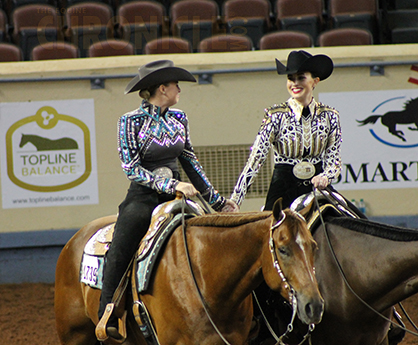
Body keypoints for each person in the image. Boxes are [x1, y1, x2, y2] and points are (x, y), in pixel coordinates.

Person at [97, 60, 238, 341]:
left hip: (179, 193)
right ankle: (108, 312)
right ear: (162, 88)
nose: (178, 90)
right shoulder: (129, 121)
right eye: (176, 85)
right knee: (125, 238)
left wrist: (217, 200)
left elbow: (190, 160)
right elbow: (131, 168)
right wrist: (171, 183)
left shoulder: (179, 118)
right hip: (143, 196)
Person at [227, 50, 341, 213]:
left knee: (350, 217)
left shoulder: (330, 115)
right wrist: (236, 199)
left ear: (315, 81)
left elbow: (334, 160)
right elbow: (256, 158)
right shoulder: (275, 115)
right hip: (282, 188)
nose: (294, 83)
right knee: (270, 230)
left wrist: (326, 176)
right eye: (290, 78)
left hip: (317, 187)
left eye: (301, 78)